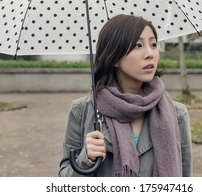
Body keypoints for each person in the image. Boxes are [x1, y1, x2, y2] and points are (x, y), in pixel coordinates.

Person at [58, 14, 192, 177]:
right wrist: (86, 159)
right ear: (114, 56)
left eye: (153, 44)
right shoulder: (83, 111)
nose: (150, 54)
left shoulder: (176, 114)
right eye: (138, 45)